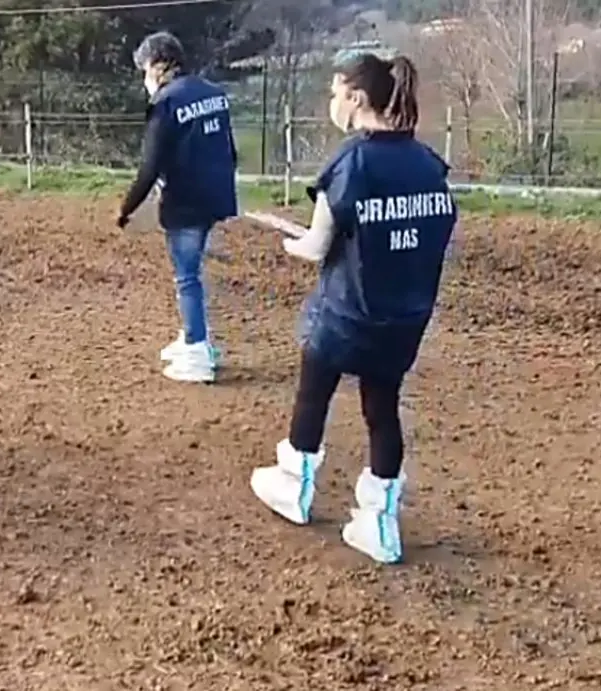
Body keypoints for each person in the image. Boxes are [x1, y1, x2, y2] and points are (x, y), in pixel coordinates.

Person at [248, 52, 457, 564]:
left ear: (357, 98)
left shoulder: (352, 162)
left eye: (336, 92)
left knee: (312, 394)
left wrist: (293, 244)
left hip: (347, 314)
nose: (332, 102)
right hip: (405, 317)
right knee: (382, 411)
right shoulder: (429, 164)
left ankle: (293, 486)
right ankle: (379, 523)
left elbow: (319, 245)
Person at [117, 31, 239, 384]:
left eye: (145, 70)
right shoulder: (215, 94)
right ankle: (192, 337)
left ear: (158, 65)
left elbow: (149, 166)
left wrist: (127, 208)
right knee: (192, 272)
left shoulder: (166, 103)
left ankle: (198, 351)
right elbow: (229, 151)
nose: (145, 79)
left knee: (186, 277)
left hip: (185, 202)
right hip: (215, 195)